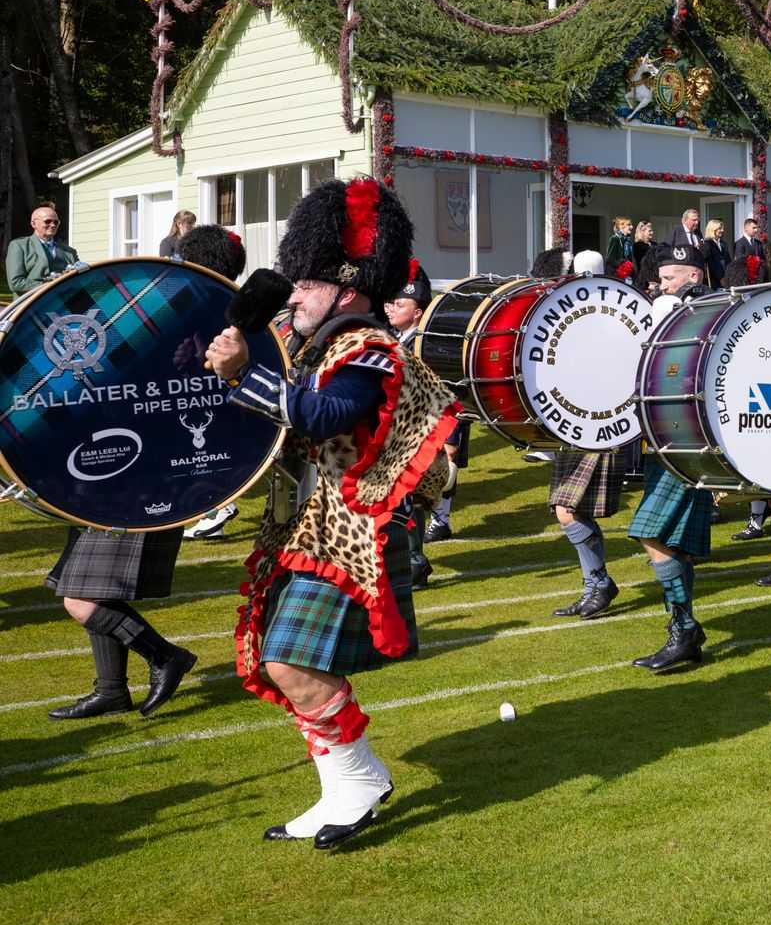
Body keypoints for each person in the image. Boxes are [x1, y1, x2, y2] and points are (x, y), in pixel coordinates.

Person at [205, 176, 459, 848]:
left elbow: (329, 415)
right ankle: (338, 791)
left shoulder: (367, 346)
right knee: (276, 660)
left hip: (353, 527)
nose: (291, 293)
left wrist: (242, 376)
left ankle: (361, 780)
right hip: (310, 522)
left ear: (345, 285)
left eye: (305, 282)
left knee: (291, 661)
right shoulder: (316, 343)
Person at [39, 225, 237, 717]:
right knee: (89, 588)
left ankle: (166, 656)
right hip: (131, 475)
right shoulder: (224, 326)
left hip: (138, 481)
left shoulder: (181, 325)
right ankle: (111, 689)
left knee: (80, 597)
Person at [623, 245, 719, 673]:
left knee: (650, 533)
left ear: (694, 277)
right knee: (675, 543)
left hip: (690, 441)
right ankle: (684, 633)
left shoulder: (710, 314)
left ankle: (685, 628)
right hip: (667, 441)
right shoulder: (673, 315)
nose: (660, 287)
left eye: (669, 279)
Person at [545, 249, 640, 619]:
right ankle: (596, 584)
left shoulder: (614, 317)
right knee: (567, 508)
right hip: (576, 421)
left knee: (568, 509)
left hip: (602, 422)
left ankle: (598, 584)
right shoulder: (572, 318)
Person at [383, 258, 460, 586]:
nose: (390, 308)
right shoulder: (395, 340)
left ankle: (415, 560)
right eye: (389, 302)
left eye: (399, 303)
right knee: (403, 498)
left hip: (423, 437)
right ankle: (414, 560)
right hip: (399, 436)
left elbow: (446, 395)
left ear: (418, 311)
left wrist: (451, 441)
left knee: (409, 497)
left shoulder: (426, 345)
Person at [179, 225, 250, 540]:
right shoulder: (228, 295)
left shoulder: (213, 298)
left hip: (215, 383)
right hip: (211, 381)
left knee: (209, 449)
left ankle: (219, 506)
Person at [7, 202, 80, 295]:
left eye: (56, 222)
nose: (53, 225)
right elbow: (16, 283)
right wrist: (48, 285)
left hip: (64, 306)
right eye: (47, 221)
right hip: (31, 305)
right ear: (34, 224)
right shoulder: (19, 246)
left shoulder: (70, 252)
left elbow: (78, 281)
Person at [733, 216, 769, 286]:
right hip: (746, 280)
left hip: (759, 280)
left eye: (757, 228)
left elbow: (763, 260)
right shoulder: (739, 243)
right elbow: (740, 261)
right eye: (754, 228)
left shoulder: (759, 243)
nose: (756, 230)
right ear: (746, 228)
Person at [702, 218, 730, 288]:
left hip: (726, 279)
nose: (722, 230)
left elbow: (728, 261)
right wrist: (720, 278)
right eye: (719, 228)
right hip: (713, 281)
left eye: (722, 228)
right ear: (712, 229)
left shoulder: (723, 244)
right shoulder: (707, 244)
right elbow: (708, 263)